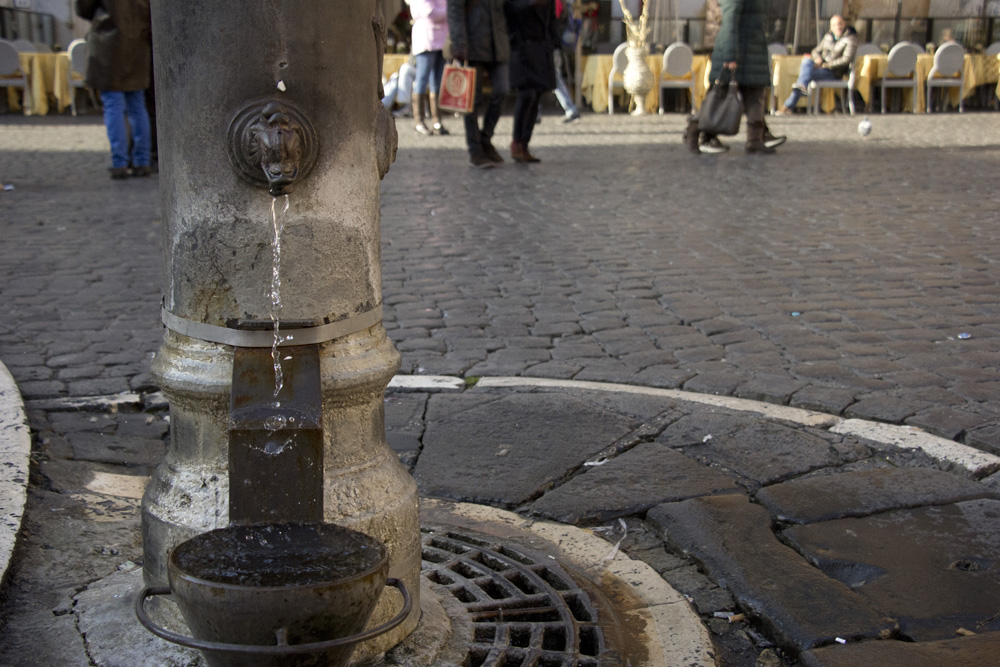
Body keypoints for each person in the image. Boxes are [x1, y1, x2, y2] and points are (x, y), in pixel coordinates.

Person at [684, 0, 781, 154]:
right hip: (736, 52)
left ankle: (754, 140)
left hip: (752, 51)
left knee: (755, 96)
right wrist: (729, 55)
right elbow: (729, 21)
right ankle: (693, 132)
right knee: (718, 97)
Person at [75, 0, 153, 179]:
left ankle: (120, 162)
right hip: (137, 43)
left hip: (109, 44)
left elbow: (83, 7)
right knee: (137, 104)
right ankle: (142, 160)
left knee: (113, 104)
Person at [446, 0, 511, 168]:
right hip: (472, 43)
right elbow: (455, 10)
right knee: (472, 100)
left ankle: (485, 138)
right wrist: (459, 43)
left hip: (498, 43)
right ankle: (475, 150)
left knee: (503, 89)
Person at [506, 0, 557, 162]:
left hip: (541, 49)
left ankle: (525, 143)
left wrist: (552, 43)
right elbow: (510, 8)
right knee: (527, 94)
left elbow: (550, 20)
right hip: (522, 46)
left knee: (537, 96)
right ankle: (517, 142)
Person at [775, 15, 857, 115]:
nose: (838, 27)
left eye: (840, 24)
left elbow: (846, 60)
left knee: (804, 76)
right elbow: (815, 51)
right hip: (822, 68)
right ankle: (800, 90)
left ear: (844, 24)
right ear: (831, 27)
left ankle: (788, 105)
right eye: (835, 25)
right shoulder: (828, 37)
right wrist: (818, 59)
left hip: (834, 72)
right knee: (807, 61)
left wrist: (826, 65)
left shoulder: (850, 39)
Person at [407, 0, 450, 135]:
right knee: (422, 78)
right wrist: (451, 12)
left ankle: (437, 120)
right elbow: (430, 12)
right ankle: (419, 120)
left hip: (442, 40)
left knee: (437, 82)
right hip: (426, 38)